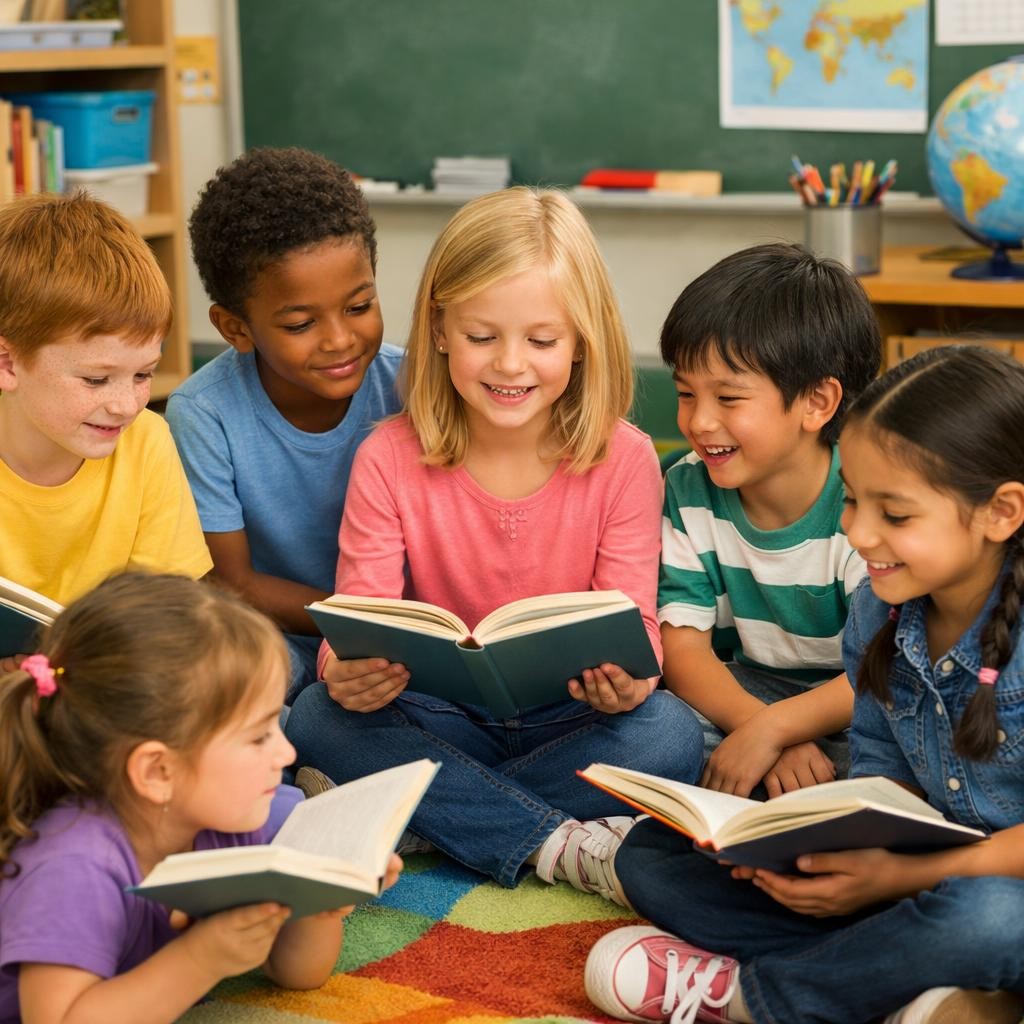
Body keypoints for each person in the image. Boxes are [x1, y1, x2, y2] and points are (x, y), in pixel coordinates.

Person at [585, 345, 1024, 1024]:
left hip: (995, 898)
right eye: (850, 499)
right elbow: (886, 772)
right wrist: (835, 845)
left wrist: (900, 876)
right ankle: (905, 991)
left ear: (1001, 512)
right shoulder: (882, 610)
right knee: (652, 856)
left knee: (989, 917)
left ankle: (753, 999)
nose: (857, 531)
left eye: (895, 514)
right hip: (920, 885)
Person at [285, 186, 704, 898]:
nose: (511, 364)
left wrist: (629, 682)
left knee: (670, 734)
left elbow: (637, 626)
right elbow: (357, 620)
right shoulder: (388, 456)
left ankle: (426, 817)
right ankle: (557, 841)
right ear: (441, 329)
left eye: (541, 341)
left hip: (569, 721)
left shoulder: (627, 458)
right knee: (319, 718)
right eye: (483, 337)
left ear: (580, 341)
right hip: (438, 716)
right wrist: (345, 673)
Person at [0, 571, 401, 1024]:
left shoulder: (248, 814)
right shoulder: (72, 866)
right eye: (257, 737)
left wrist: (321, 901)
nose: (287, 752)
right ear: (158, 771)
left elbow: (297, 973)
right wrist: (199, 959)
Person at [166, 148, 403, 701]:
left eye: (360, 304)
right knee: (243, 692)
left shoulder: (411, 386)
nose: (340, 339)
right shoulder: (203, 414)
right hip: (277, 638)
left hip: (401, 641)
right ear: (234, 328)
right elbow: (232, 582)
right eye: (301, 323)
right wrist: (358, 627)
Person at [657, 243, 880, 798]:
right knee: (654, 731)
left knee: (911, 737)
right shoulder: (685, 487)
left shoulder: (869, 498)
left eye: (729, 398)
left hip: (860, 701)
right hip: (738, 696)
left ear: (816, 402)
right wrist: (756, 725)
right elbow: (684, 654)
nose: (700, 421)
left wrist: (774, 730)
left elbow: (884, 675)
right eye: (686, 393)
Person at [0, 192, 212, 669]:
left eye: (143, 375)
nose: (125, 405)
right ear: (7, 363)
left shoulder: (147, 443)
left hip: (112, 696)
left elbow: (170, 619)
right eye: (97, 379)